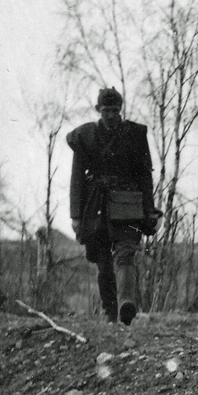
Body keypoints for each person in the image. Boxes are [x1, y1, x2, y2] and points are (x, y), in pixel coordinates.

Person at [67, 87, 159, 325]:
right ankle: (110, 312)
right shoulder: (85, 137)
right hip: (95, 205)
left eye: (115, 110)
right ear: (98, 110)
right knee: (103, 261)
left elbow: (144, 175)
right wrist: (75, 215)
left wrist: (149, 209)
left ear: (121, 110)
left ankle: (125, 304)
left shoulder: (135, 135)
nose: (111, 115)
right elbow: (77, 177)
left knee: (126, 253)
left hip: (128, 202)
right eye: (106, 110)